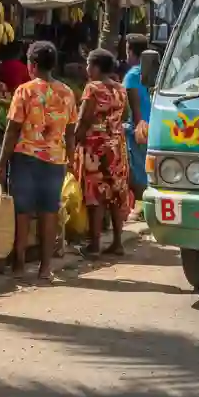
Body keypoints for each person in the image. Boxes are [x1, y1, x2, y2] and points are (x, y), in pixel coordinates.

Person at [0, 42, 77, 281]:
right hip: (55, 159)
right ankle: (45, 268)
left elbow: (12, 130)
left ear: (32, 65)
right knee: (49, 211)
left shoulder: (24, 91)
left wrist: (1, 164)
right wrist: (70, 161)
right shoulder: (67, 92)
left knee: (22, 211)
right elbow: (70, 133)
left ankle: (19, 265)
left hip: (25, 158)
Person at [74, 48, 129, 257]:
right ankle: (117, 242)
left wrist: (73, 141)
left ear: (96, 67)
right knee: (115, 193)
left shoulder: (92, 89)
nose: (87, 69)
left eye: (88, 64)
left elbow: (83, 119)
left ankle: (95, 245)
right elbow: (123, 115)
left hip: (95, 147)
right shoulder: (120, 89)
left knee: (94, 194)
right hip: (116, 146)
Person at [122, 33, 151, 221]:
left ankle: (142, 208)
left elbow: (133, 104)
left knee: (137, 170)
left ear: (131, 51)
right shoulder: (150, 71)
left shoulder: (132, 75)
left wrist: (137, 127)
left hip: (139, 128)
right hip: (151, 125)